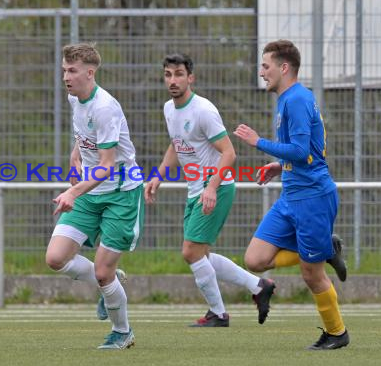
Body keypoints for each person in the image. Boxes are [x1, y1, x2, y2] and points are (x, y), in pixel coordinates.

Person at [145, 53, 276, 327]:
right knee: (200, 254)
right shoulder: (169, 109)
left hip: (216, 187)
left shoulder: (203, 110)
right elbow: (176, 144)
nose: (173, 80)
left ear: (190, 77)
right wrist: (158, 176)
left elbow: (229, 154)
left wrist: (212, 188)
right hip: (196, 189)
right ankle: (258, 286)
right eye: (168, 74)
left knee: (190, 252)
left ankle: (218, 314)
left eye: (179, 74)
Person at [234, 39, 349, 350]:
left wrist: (259, 142)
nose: (261, 72)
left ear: (284, 68)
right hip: (291, 195)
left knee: (311, 275)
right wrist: (278, 164)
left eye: (266, 66)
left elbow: (300, 150)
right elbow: (302, 151)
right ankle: (326, 248)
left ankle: (337, 333)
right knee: (255, 259)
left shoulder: (296, 99)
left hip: (312, 198)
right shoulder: (287, 99)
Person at [45, 43, 144, 350]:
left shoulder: (105, 107)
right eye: (64, 70)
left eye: (72, 71)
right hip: (91, 190)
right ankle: (116, 279)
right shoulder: (75, 97)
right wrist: (75, 155)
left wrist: (73, 190)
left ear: (90, 73)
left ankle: (122, 331)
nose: (66, 76)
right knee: (55, 258)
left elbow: (107, 165)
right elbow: (84, 135)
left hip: (120, 193)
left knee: (102, 273)